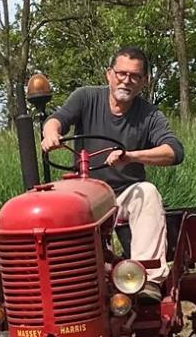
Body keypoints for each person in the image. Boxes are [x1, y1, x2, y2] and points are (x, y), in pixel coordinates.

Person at [40, 46, 184, 299]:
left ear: (144, 81)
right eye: (121, 73)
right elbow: (57, 118)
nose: (126, 81)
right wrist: (51, 133)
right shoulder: (85, 97)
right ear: (109, 74)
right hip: (85, 194)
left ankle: (145, 280)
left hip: (124, 196)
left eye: (135, 76)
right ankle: (62, 285)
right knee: (53, 207)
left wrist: (130, 156)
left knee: (147, 192)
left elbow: (173, 151)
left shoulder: (149, 115)